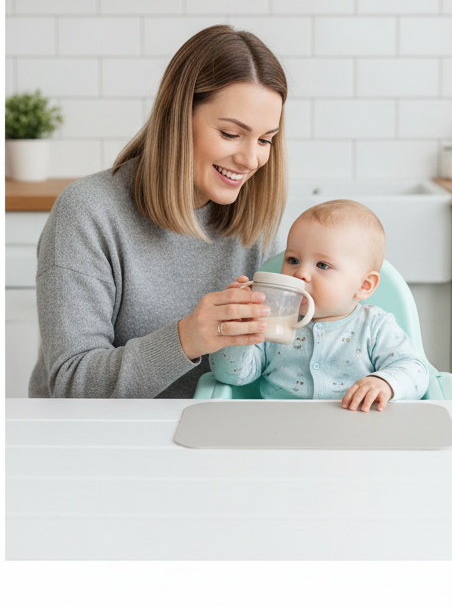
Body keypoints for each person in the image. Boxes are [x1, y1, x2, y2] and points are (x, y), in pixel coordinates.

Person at [29, 25, 287, 399]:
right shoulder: (88, 213)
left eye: (265, 140)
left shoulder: (253, 222)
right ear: (179, 119)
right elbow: (71, 384)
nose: (251, 159)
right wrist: (187, 338)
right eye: (231, 134)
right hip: (98, 442)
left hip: (210, 432)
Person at [209, 200, 428, 410]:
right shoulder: (271, 319)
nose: (301, 273)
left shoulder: (376, 326)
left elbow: (416, 370)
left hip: (354, 431)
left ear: (364, 285)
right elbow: (231, 376)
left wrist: (384, 383)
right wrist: (238, 330)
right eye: (293, 260)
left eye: (322, 265)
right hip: (281, 430)